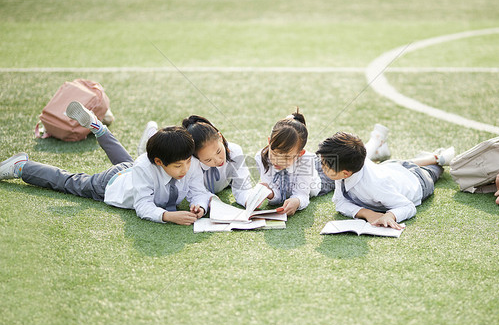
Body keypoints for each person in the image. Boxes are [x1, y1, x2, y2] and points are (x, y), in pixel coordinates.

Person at [0, 102, 211, 226]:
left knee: (131, 164)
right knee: (71, 182)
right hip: (112, 182)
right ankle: (22, 166)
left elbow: (198, 190)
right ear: (159, 162)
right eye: (177, 166)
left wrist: (199, 205)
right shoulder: (146, 169)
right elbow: (142, 206)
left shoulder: (186, 162)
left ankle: (98, 127)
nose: (184, 169)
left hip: (132, 171)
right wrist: (167, 215)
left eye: (186, 163)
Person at [316, 131, 455, 229]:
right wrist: (366, 213)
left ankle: (438, 159)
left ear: (345, 173)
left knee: (434, 171)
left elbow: (408, 207)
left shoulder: (375, 185)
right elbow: (340, 202)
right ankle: (430, 157)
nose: (322, 167)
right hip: (390, 168)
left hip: (416, 181)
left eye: (324, 165)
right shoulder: (343, 169)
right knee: (402, 163)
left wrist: (390, 215)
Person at [137, 115, 254, 208]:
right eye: (208, 160)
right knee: (164, 150)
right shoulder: (190, 164)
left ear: (220, 137)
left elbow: (243, 187)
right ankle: (150, 137)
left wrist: (249, 201)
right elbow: (197, 192)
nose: (218, 160)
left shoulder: (235, 151)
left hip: (224, 183)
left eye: (218, 151)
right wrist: (208, 202)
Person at [255, 109, 334, 216]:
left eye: (286, 157)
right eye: (274, 154)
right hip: (300, 167)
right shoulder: (261, 157)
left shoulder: (305, 160)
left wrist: (297, 201)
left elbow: (302, 195)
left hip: (316, 180)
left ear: (300, 153)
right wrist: (270, 193)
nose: (277, 161)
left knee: (336, 170)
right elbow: (277, 195)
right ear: (269, 142)